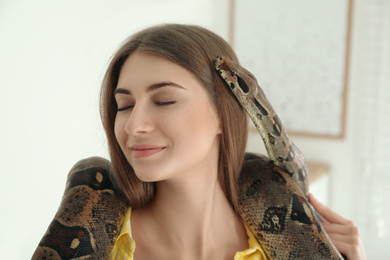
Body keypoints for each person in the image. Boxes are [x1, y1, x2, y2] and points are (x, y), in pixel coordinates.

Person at [33, 24, 366, 260]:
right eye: (124, 105)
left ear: (224, 112)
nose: (134, 125)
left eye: (164, 101)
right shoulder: (107, 235)